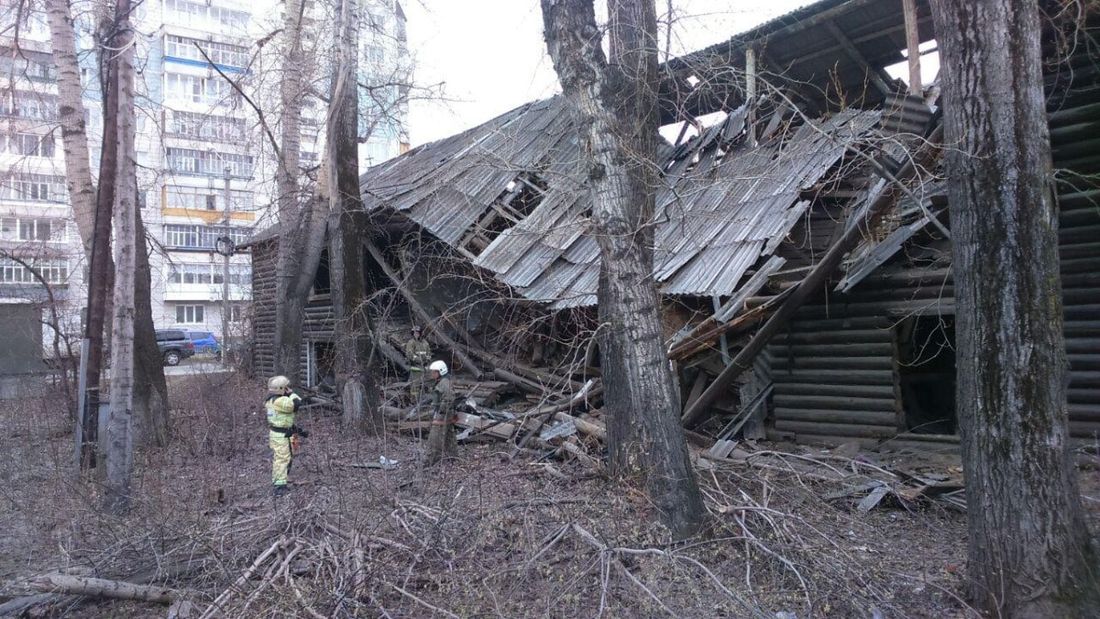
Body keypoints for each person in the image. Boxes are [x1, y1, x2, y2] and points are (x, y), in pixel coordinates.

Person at [264, 375, 307, 496]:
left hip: (279, 433)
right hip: (281, 435)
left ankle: (280, 480)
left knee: (282, 457)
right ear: (282, 388)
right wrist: (292, 393)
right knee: (282, 459)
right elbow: (297, 404)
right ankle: (279, 486)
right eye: (286, 387)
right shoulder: (281, 401)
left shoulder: (270, 400)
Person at [425, 360, 457, 464]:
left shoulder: (444, 383)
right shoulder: (441, 382)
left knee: (434, 438)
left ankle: (431, 460)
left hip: (443, 414)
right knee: (449, 437)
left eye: (434, 372)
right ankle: (453, 458)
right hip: (446, 413)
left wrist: (441, 412)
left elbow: (449, 398)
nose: (432, 374)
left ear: (440, 372)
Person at [404, 325, 432, 402]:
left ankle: (425, 400)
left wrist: (427, 360)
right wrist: (418, 360)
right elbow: (409, 354)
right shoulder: (411, 342)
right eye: (414, 333)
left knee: (426, 384)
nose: (416, 334)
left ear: (420, 333)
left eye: (417, 333)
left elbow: (429, 353)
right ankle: (414, 401)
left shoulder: (425, 343)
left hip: (424, 367)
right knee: (415, 386)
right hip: (415, 367)